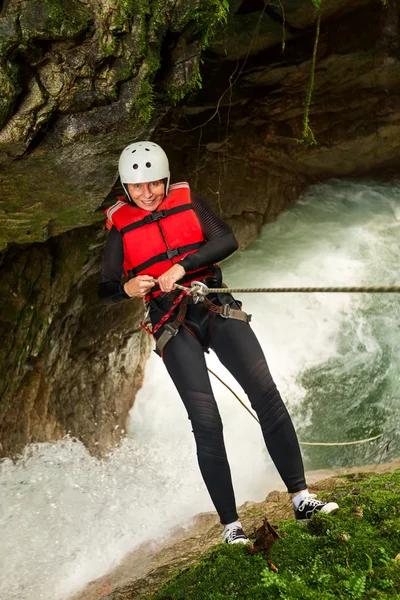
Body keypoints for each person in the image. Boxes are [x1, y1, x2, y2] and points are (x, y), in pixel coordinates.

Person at [98, 141, 339, 544]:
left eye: (154, 184)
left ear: (165, 180)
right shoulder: (121, 229)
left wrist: (182, 265)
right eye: (138, 187)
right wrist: (126, 287)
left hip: (212, 304)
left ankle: (301, 498)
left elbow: (226, 240)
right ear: (126, 188)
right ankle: (231, 527)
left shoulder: (189, 202)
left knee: (265, 393)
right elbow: (105, 289)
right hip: (171, 324)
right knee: (206, 421)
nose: (147, 194)